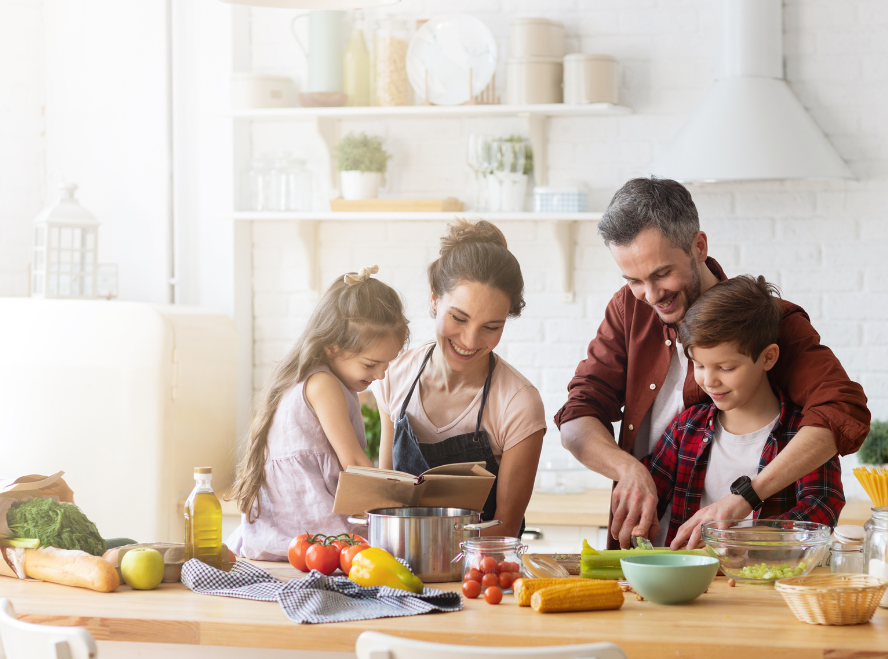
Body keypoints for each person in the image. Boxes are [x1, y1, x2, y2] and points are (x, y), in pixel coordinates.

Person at [555, 177, 869, 550]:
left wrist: (745, 501)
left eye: (661, 274)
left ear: (699, 246)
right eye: (634, 280)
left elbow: (841, 409)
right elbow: (577, 416)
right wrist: (627, 469)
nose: (651, 295)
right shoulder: (628, 308)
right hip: (657, 554)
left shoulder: (769, 321)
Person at [373, 219, 546, 537]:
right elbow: (386, 503)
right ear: (435, 298)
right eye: (459, 318)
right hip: (399, 569)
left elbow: (505, 528)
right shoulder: (393, 376)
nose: (469, 340)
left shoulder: (518, 402)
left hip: (480, 574)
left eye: (491, 327)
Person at [644, 275, 845, 546]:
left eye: (726, 368)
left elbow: (821, 509)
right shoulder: (685, 428)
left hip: (769, 584)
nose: (709, 381)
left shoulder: (804, 435)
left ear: (768, 357)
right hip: (688, 585)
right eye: (699, 365)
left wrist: (740, 539)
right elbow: (648, 497)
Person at [227, 266, 409, 560]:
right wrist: (392, 507)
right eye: (370, 364)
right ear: (332, 347)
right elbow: (353, 462)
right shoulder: (323, 384)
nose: (380, 374)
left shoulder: (315, 377)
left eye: (386, 364)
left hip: (287, 530)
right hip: (310, 527)